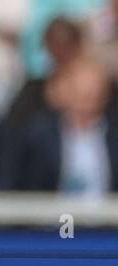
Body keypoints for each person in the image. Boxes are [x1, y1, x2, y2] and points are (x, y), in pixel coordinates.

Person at [8, 58, 117, 194]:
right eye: (81, 94)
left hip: (107, 213)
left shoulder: (114, 134)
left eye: (94, 94)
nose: (88, 101)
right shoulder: (39, 133)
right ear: (65, 93)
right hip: (52, 213)